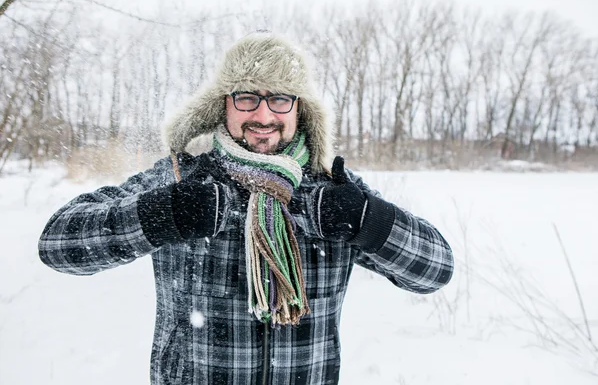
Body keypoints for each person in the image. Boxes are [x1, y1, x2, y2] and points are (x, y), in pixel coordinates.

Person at [38, 32, 454, 385]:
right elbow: (58, 245)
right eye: (247, 97)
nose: (263, 114)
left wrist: (369, 221)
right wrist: (159, 216)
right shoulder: (181, 179)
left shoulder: (332, 191)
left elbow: (434, 270)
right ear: (223, 104)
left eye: (279, 99)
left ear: (300, 109)